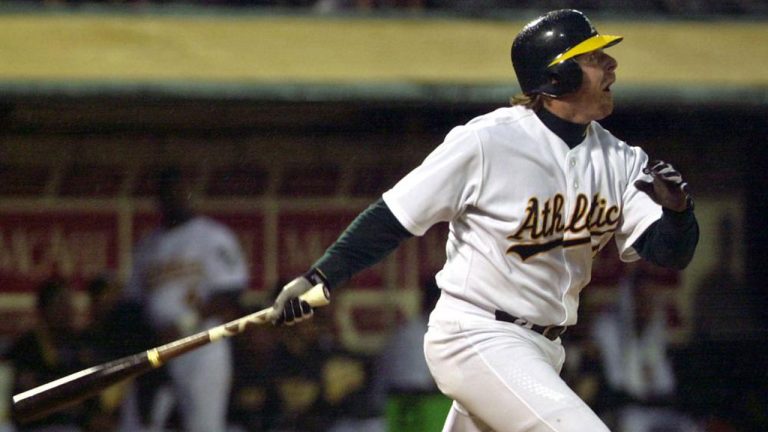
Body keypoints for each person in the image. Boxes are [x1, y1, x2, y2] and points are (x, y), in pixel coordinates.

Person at [268, 9, 699, 432]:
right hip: (476, 333)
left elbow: (669, 254)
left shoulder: (623, 161)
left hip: (545, 347)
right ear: (556, 77)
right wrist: (318, 276)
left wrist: (678, 213)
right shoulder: (488, 141)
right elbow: (394, 216)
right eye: (593, 58)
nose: (611, 65)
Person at [124, 166, 249, 432]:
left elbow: (230, 292)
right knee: (141, 423)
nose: (176, 197)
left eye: (181, 191)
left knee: (203, 425)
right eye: (168, 192)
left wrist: (184, 323)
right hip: (158, 346)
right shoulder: (147, 246)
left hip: (201, 346)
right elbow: (134, 301)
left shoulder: (212, 236)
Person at [591, 266, 700, 432]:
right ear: (630, 298)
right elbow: (618, 385)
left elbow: (665, 386)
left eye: (650, 300)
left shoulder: (655, 330)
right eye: (641, 299)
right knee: (633, 425)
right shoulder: (608, 328)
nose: (646, 306)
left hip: (655, 408)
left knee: (689, 427)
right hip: (620, 411)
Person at [3, 278, 92, 432]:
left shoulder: (78, 345)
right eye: (62, 304)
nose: (69, 311)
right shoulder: (25, 347)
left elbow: (88, 399)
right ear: (44, 309)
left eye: (70, 304)